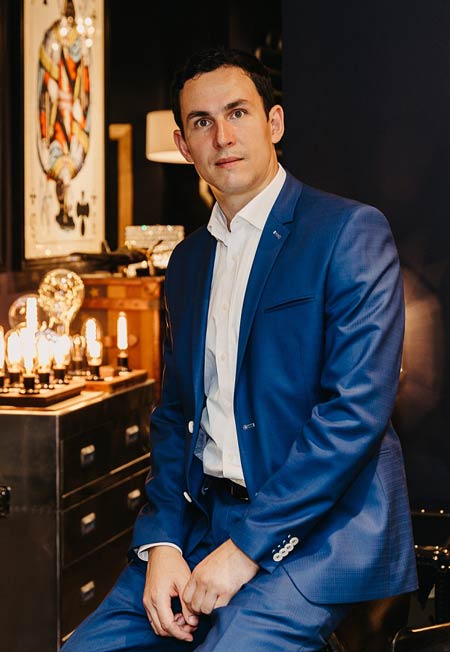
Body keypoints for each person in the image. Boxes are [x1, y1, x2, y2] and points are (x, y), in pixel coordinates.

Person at [62, 47, 418, 652]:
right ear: (183, 145)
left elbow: (354, 414)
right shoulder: (186, 263)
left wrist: (247, 548)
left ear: (273, 123)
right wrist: (161, 542)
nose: (222, 137)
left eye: (237, 113)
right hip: (202, 525)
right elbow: (174, 417)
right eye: (202, 122)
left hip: (320, 533)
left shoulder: (348, 232)